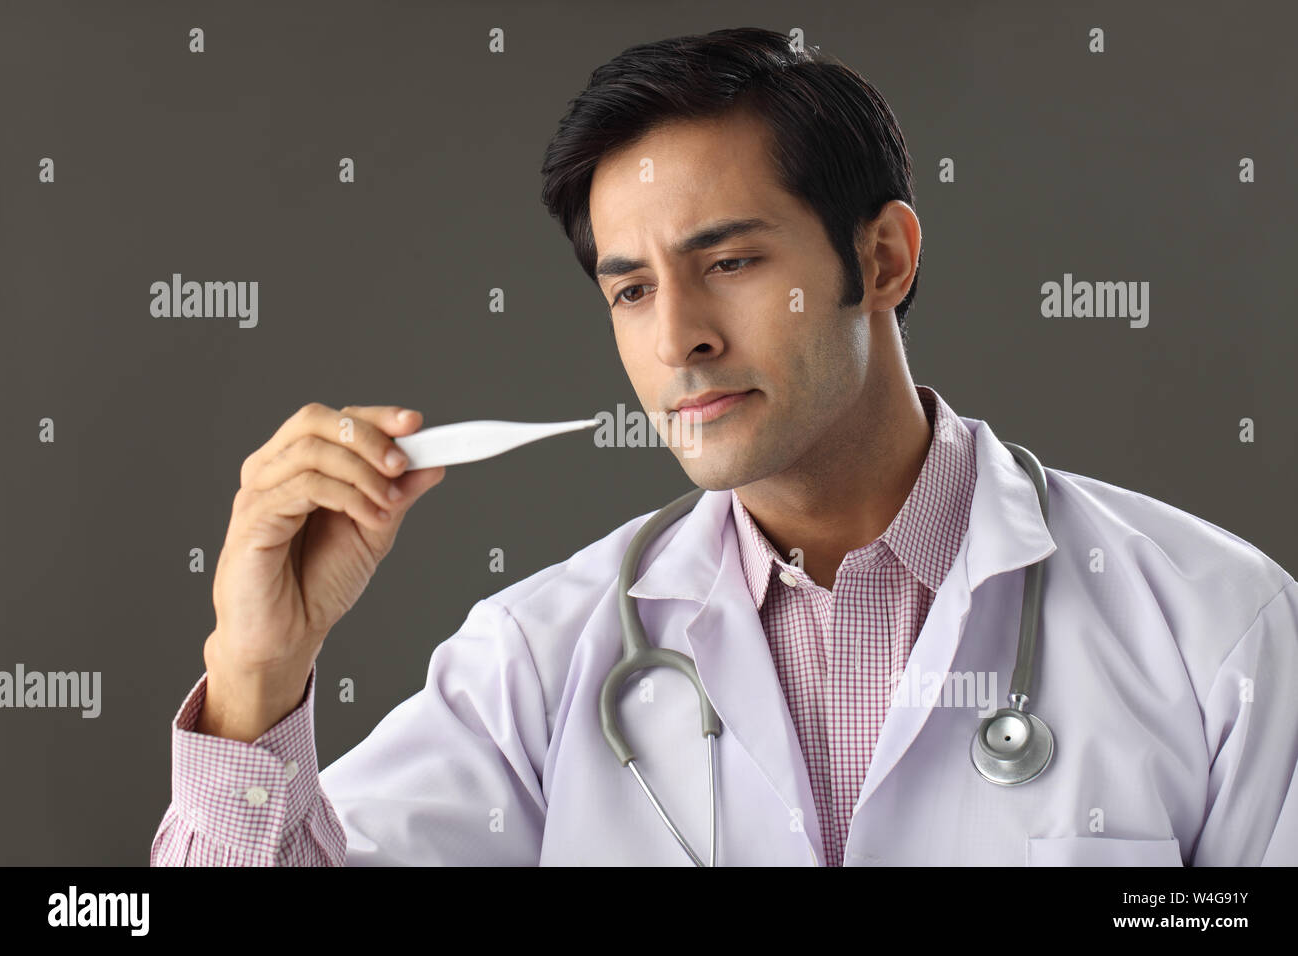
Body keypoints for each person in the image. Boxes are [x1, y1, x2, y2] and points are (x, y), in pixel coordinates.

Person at [150, 27, 1298, 867]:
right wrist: (257, 671)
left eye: (732, 262)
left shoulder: (1216, 627)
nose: (679, 339)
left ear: (884, 259)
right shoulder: (536, 662)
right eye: (631, 288)